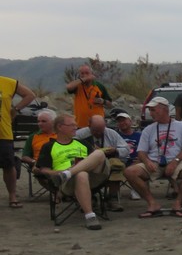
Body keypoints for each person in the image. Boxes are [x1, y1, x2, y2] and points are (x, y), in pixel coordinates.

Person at [124, 96, 182, 218]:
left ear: (165, 109)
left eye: (153, 110)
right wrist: (147, 161)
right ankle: (152, 203)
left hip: (177, 161)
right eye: (150, 110)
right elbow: (141, 152)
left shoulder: (181, 126)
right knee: (130, 172)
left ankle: (178, 202)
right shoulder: (149, 129)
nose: (151, 113)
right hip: (155, 162)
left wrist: (175, 161)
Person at [34, 113, 111, 230]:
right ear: (60, 127)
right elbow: (44, 170)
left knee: (99, 153)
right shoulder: (49, 146)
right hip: (67, 183)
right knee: (81, 174)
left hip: (93, 178)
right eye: (72, 125)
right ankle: (90, 216)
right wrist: (59, 172)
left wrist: (70, 171)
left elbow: (96, 160)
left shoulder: (82, 143)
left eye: (76, 125)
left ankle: (69, 173)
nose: (76, 127)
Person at [74, 114, 130, 212]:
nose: (99, 133)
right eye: (95, 131)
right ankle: (90, 198)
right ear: (89, 126)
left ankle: (112, 198)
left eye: (101, 130)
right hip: (88, 163)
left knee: (116, 165)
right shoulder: (79, 135)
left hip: (108, 162)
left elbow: (126, 149)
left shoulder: (111, 133)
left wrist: (115, 150)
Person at [2, 74, 36, 208]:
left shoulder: (7, 82)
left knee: (8, 165)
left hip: (3, 132)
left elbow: (30, 95)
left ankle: (12, 196)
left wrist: (15, 109)